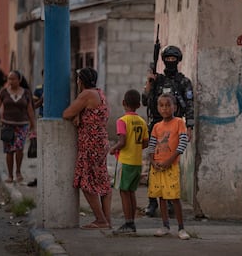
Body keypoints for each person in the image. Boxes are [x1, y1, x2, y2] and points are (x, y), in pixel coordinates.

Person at [142, 45, 194, 217]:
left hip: (174, 127)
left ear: (178, 61)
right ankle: (152, 202)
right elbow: (144, 101)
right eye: (168, 59)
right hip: (156, 126)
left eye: (173, 59)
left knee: (171, 163)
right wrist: (149, 82)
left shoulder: (183, 82)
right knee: (154, 163)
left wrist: (190, 127)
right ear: (163, 60)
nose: (170, 62)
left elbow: (190, 106)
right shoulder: (157, 80)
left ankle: (171, 201)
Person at [63, 67, 112, 230]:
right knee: (102, 181)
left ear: (81, 81)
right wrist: (79, 114)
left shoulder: (86, 94)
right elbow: (87, 112)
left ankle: (100, 219)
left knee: (86, 182)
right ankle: (107, 220)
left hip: (90, 144)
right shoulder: (99, 93)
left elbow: (67, 113)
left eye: (78, 80)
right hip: (101, 142)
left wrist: (76, 114)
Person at [148, 93, 190, 240]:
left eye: (168, 105)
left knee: (174, 197)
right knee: (161, 197)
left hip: (171, 166)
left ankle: (181, 228)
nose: (165, 108)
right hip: (157, 167)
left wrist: (170, 160)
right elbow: (151, 147)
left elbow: (182, 143)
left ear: (174, 107)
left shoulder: (179, 122)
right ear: (158, 108)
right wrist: (153, 163)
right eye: (161, 105)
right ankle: (165, 225)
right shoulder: (156, 126)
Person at [109, 89, 149, 234]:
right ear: (138, 105)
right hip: (137, 162)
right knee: (131, 192)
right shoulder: (142, 122)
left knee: (124, 192)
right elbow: (146, 142)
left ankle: (128, 223)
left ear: (123, 103)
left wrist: (113, 148)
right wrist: (136, 146)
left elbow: (122, 141)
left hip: (125, 162)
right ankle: (131, 222)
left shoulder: (122, 121)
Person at [0, 70, 36, 183]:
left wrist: (34, 126)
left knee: (19, 149)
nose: (11, 81)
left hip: (22, 126)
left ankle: (18, 171)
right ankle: (10, 175)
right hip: (7, 125)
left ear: (19, 80)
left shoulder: (26, 93)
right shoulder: (3, 92)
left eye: (13, 79)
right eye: (9, 79)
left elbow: (30, 110)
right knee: (9, 151)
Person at [27, 69, 44, 187]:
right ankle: (40, 177)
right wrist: (42, 99)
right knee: (40, 152)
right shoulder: (39, 88)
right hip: (42, 121)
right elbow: (32, 106)